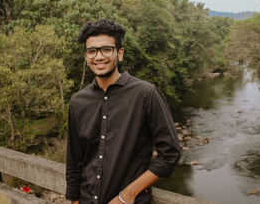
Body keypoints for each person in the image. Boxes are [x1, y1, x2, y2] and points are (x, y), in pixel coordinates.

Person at [65, 18, 181, 204]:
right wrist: (74, 200)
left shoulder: (145, 94)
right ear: (86, 56)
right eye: (92, 51)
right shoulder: (78, 101)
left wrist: (127, 195)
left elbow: (170, 153)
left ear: (119, 54)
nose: (99, 56)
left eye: (106, 50)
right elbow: (74, 161)